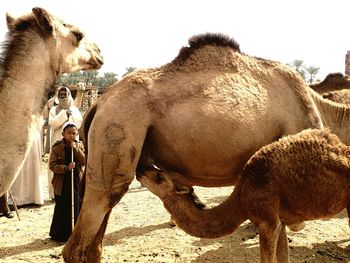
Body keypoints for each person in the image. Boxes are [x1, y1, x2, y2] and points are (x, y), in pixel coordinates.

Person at [49, 122, 85, 242]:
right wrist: (66, 168)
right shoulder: (57, 147)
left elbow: (84, 161)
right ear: (63, 134)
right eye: (69, 133)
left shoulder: (79, 146)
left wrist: (76, 150)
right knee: (62, 207)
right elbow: (52, 166)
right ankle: (60, 235)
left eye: (74, 133)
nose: (72, 136)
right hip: (62, 182)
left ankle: (75, 234)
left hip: (76, 181)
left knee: (76, 206)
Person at [47, 86, 82, 199]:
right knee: (57, 165)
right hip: (58, 142)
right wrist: (63, 114)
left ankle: (74, 190)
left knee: (74, 165)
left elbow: (78, 123)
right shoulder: (54, 110)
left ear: (68, 95)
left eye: (64, 94)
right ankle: (54, 193)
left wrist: (70, 114)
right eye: (60, 94)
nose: (62, 96)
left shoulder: (74, 109)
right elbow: (52, 123)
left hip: (71, 142)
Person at [10, 117, 44, 206]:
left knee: (33, 165)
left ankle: (33, 197)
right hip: (17, 133)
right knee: (19, 168)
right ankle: (17, 198)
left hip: (32, 134)